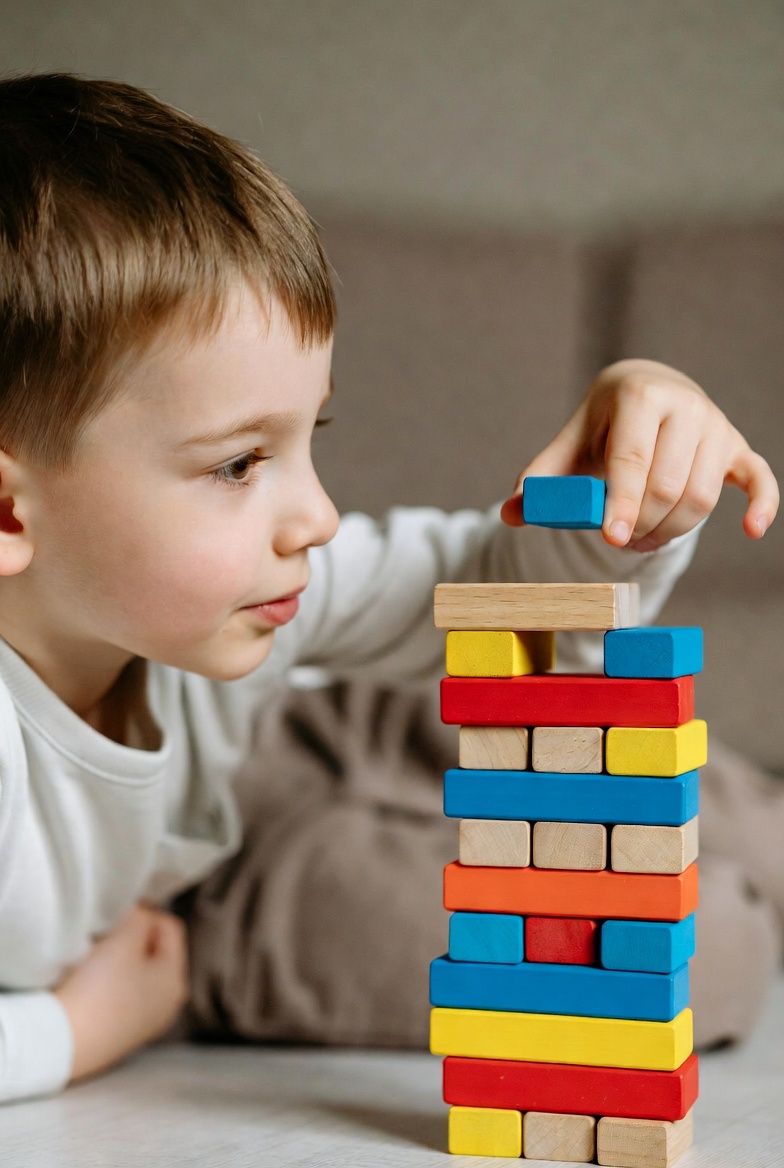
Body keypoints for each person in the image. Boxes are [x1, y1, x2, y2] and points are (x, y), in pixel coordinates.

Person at [0, 71, 778, 1105]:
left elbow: (493, 593)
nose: (318, 517)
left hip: (290, 718)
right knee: (683, 949)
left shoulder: (248, 589)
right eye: (239, 464)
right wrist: (73, 1026)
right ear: (11, 514)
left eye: (303, 441)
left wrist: (622, 485)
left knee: (702, 789)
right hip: (219, 889)